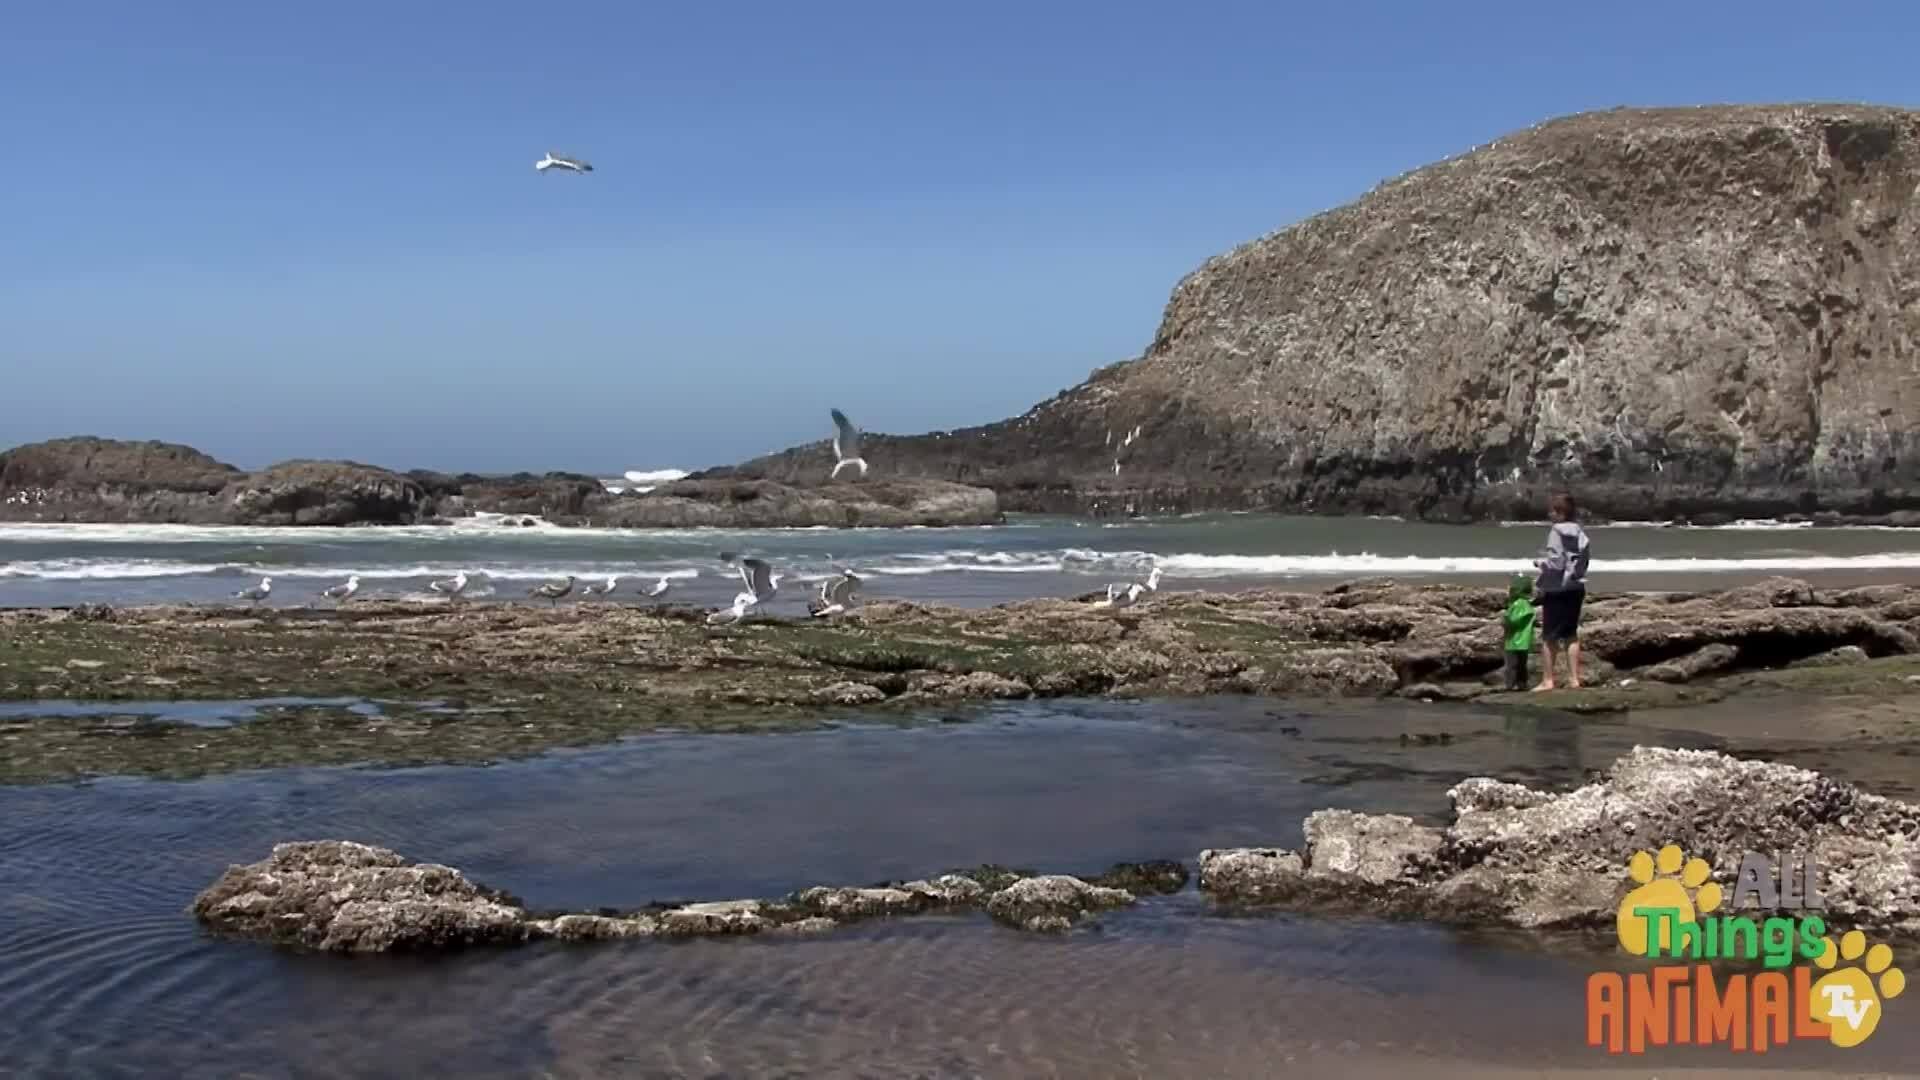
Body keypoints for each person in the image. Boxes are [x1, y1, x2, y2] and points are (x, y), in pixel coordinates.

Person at [1532, 490, 1592, 690]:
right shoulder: (1580, 531)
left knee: (1549, 636)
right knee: (1570, 634)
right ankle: (1574, 679)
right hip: (1576, 586)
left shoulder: (1556, 531)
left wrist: (1540, 563)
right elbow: (1584, 559)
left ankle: (1548, 680)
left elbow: (1556, 562)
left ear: (1559, 512)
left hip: (1558, 589)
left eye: (1551, 511)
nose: (1549, 515)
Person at [1501, 573, 1537, 690]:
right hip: (1524, 641)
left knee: (1512, 665)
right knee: (1521, 665)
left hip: (1514, 641)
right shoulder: (1526, 603)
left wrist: (1505, 621)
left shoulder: (1518, 604)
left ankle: (1510, 685)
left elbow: (1515, 620)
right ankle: (1522, 684)